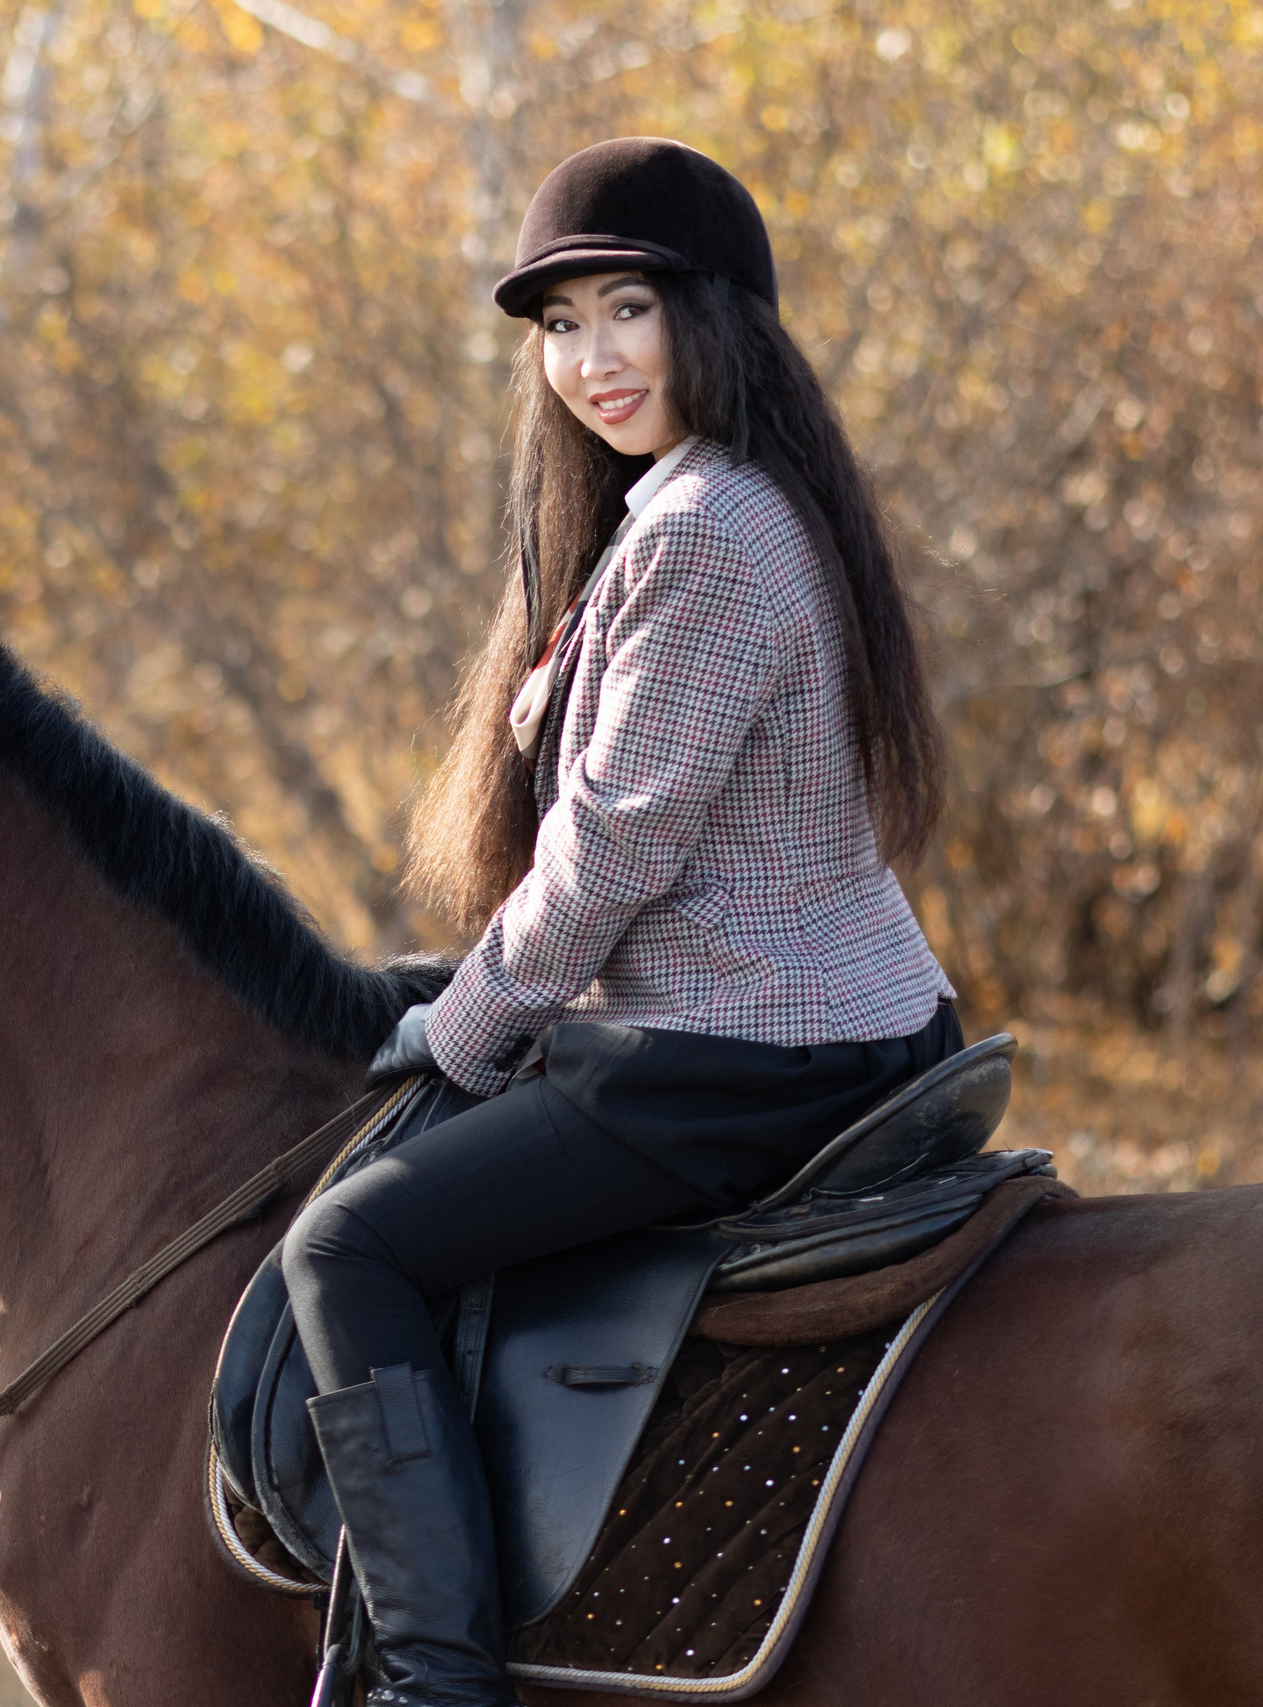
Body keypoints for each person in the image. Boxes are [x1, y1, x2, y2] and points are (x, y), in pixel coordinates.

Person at [280, 137, 957, 1706]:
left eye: (626, 310)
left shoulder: (706, 535)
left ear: (712, 318)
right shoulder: (707, 504)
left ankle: (439, 1681)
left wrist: (462, 1033)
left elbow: (610, 853)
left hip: (737, 1048)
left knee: (349, 1244)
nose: (590, 361)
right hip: (797, 1009)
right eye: (561, 325)